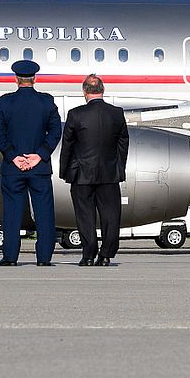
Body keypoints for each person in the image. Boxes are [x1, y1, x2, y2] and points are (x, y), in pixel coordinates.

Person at [0, 60, 63, 267]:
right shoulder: (46, 101)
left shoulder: (5, 102)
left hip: (13, 167)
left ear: (16, 79)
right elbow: (56, 131)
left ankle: (10, 257)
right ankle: (43, 258)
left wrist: (13, 156)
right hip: (39, 167)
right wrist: (39, 155)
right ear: (35, 78)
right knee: (44, 213)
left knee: (12, 213)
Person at [58, 73, 129, 267]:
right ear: (103, 90)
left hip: (82, 174)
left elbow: (67, 146)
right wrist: (119, 167)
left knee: (85, 216)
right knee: (111, 215)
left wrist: (65, 171)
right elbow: (123, 143)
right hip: (109, 173)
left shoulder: (76, 114)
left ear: (84, 92)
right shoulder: (117, 113)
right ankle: (106, 254)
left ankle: (88, 254)